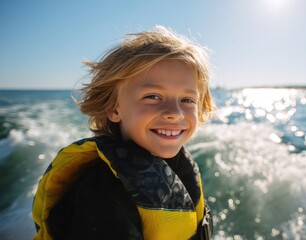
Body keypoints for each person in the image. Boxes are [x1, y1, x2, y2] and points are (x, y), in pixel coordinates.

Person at [32, 26, 215, 240]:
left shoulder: (176, 169)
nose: (175, 113)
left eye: (187, 100)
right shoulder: (101, 196)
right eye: (153, 96)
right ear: (114, 108)